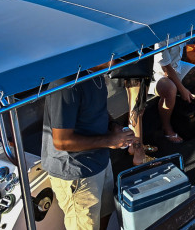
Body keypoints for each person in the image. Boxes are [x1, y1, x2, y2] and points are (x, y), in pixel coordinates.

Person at [42, 67, 135, 230]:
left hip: (100, 161)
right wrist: (109, 140)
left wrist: (113, 126)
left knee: (105, 213)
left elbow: (97, 110)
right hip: (77, 172)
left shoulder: (97, 75)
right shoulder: (66, 84)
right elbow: (61, 141)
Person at [150, 38, 195, 144]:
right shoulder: (160, 37)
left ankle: (193, 111)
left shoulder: (181, 27)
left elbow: (182, 51)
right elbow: (166, 69)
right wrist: (182, 89)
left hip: (176, 65)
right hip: (155, 72)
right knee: (170, 89)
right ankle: (166, 127)